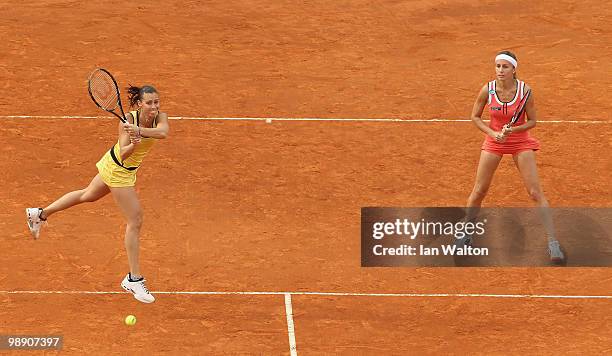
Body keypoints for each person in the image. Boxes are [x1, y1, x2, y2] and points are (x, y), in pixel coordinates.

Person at [26, 84, 169, 302]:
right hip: (118, 170)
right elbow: (123, 154)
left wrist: (140, 132)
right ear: (139, 104)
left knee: (87, 195)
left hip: (117, 166)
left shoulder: (160, 117)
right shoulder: (126, 123)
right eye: (149, 103)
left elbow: (163, 133)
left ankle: (40, 214)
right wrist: (132, 142)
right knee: (136, 219)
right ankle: (134, 279)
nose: (154, 106)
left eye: (156, 102)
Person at [462, 50, 564, 263]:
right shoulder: (487, 90)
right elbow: (475, 116)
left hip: (520, 141)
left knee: (535, 192)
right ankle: (466, 234)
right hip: (494, 141)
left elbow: (532, 121)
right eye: (498, 66)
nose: (500, 70)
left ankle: (553, 242)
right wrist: (493, 133)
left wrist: (513, 131)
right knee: (479, 190)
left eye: (505, 67)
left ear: (514, 69)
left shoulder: (525, 91)